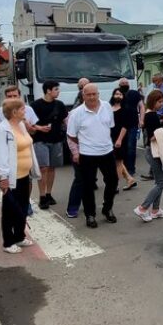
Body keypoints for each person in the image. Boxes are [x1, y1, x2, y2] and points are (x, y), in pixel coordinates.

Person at [0, 98, 40, 253]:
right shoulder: (2, 130)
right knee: (10, 210)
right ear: (14, 112)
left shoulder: (20, 125)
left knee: (23, 207)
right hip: (12, 177)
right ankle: (8, 242)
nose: (25, 111)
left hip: (24, 175)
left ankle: (19, 236)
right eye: (23, 109)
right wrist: (2, 177)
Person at [66, 83, 119, 228]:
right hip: (87, 154)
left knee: (113, 181)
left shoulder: (107, 107)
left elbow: (110, 127)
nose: (91, 97)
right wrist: (81, 146)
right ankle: (90, 215)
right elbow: (71, 135)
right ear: (83, 96)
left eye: (94, 94)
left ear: (98, 94)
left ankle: (107, 209)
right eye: (88, 94)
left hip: (107, 152)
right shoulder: (77, 113)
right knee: (87, 186)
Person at [133, 90, 163, 222]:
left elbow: (156, 134)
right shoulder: (152, 116)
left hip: (153, 151)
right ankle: (143, 208)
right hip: (154, 151)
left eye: (162, 102)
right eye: (159, 102)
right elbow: (154, 137)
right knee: (161, 182)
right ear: (153, 101)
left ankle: (155, 210)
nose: (161, 105)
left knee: (160, 181)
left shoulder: (150, 115)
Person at [30, 80, 68, 210]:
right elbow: (29, 123)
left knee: (52, 168)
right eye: (56, 89)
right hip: (40, 140)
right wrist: (40, 128)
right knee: (43, 168)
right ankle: (42, 196)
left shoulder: (60, 105)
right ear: (48, 90)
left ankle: (48, 193)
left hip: (56, 140)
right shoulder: (35, 105)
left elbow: (65, 120)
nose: (58, 92)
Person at [110, 88, 137, 191]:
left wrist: (119, 140)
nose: (118, 96)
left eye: (120, 94)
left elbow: (125, 126)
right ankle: (130, 179)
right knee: (117, 162)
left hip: (120, 137)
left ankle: (115, 185)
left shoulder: (125, 109)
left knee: (118, 162)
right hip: (110, 137)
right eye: (116, 94)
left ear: (123, 97)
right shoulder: (109, 108)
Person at [120, 77, 144, 176]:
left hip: (133, 124)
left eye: (126, 82)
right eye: (123, 83)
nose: (125, 84)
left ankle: (131, 169)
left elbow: (142, 106)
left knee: (131, 147)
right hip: (120, 125)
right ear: (119, 85)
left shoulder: (134, 93)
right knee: (123, 147)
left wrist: (141, 119)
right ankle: (123, 168)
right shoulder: (117, 94)